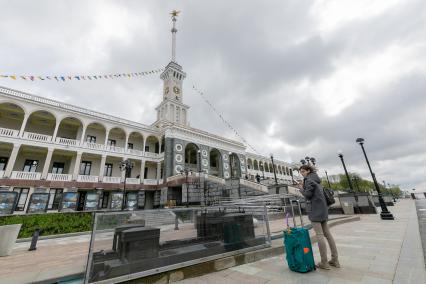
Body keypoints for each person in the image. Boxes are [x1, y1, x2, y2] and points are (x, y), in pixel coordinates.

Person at [297, 164, 340, 270]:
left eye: (303, 171)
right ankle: (335, 260)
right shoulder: (316, 179)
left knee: (320, 235)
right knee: (328, 235)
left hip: (315, 210)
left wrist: (301, 188)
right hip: (323, 209)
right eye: (300, 172)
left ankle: (324, 262)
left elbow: (308, 195)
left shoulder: (309, 180)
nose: (301, 173)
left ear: (308, 171)